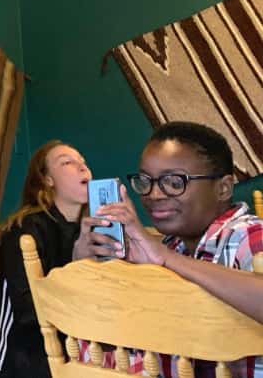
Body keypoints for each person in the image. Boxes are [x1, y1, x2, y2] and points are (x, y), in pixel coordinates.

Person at [75, 121, 263, 376]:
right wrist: (86, 272)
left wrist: (165, 258)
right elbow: (121, 344)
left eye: (174, 182)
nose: (153, 194)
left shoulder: (247, 235)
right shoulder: (173, 245)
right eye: (145, 181)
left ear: (223, 188)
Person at [0, 140, 92, 377]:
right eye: (67, 162)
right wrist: (77, 264)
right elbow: (28, 313)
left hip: (71, 347)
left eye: (83, 162)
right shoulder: (24, 232)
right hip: (21, 358)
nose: (82, 167)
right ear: (47, 180)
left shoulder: (91, 229)